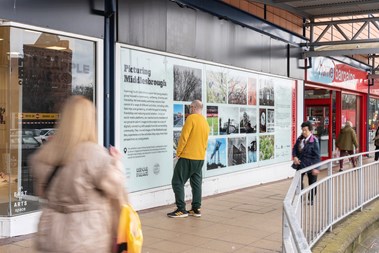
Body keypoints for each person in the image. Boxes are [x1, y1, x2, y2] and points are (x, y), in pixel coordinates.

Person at [29, 96, 127, 252]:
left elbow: (41, 193)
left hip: (51, 235)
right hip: (86, 237)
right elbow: (116, 187)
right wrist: (116, 162)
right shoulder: (93, 154)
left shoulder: (46, 153)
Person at [167, 100, 210, 218]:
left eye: (190, 107)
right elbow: (205, 142)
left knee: (177, 181)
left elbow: (183, 138)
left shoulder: (191, 119)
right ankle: (196, 209)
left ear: (193, 107)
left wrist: (178, 153)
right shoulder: (205, 122)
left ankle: (181, 209)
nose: (189, 109)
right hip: (200, 158)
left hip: (188, 156)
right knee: (196, 183)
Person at [292, 121, 321, 205]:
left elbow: (317, 156)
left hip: (311, 165)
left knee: (312, 182)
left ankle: (311, 199)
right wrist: (295, 157)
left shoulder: (314, 141)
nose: (303, 132)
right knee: (298, 181)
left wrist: (316, 168)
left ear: (310, 131)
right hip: (300, 164)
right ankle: (299, 197)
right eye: (302, 130)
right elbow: (294, 149)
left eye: (305, 130)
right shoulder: (300, 139)